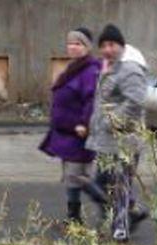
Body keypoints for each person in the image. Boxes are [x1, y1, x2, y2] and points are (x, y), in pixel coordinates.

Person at [86, 24, 149, 242]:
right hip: (107, 140)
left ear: (121, 45)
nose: (106, 49)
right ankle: (133, 212)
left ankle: (120, 230)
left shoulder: (129, 69)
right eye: (103, 45)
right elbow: (103, 102)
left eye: (111, 44)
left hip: (125, 141)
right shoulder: (110, 67)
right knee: (100, 183)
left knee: (120, 185)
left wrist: (112, 121)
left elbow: (136, 101)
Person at [39, 28, 101, 224]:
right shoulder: (74, 67)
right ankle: (74, 217)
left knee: (77, 176)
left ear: (87, 47)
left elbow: (91, 99)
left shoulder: (90, 70)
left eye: (78, 43)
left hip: (78, 133)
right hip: (66, 132)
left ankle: (109, 203)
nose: (73, 47)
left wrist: (84, 123)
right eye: (70, 43)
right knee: (71, 176)